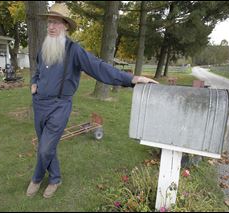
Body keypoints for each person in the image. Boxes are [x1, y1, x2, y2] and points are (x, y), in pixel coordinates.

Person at [26, 3, 158, 198]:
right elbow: (38, 70)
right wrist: (34, 83)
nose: (51, 27)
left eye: (55, 23)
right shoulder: (44, 47)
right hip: (39, 104)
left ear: (66, 26)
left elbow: (99, 68)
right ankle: (55, 179)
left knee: (45, 148)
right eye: (49, 23)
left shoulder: (74, 51)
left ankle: (37, 178)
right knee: (49, 146)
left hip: (59, 107)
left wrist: (132, 79)